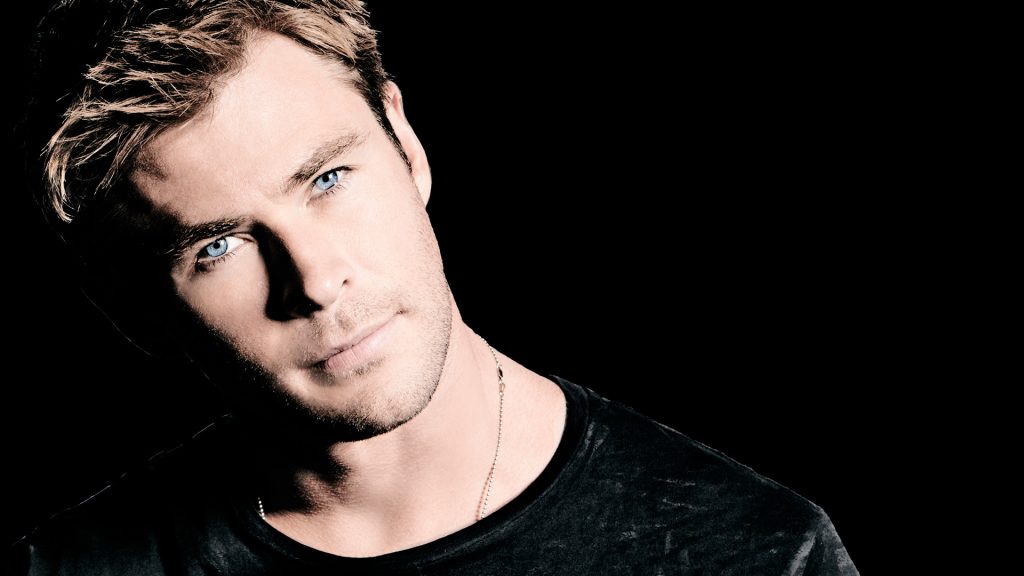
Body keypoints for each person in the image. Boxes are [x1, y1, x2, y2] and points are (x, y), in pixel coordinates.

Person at [11, 1, 859, 574]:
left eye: (328, 178)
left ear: (407, 146)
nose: (316, 281)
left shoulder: (753, 553)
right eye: (219, 246)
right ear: (133, 312)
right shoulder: (71, 567)